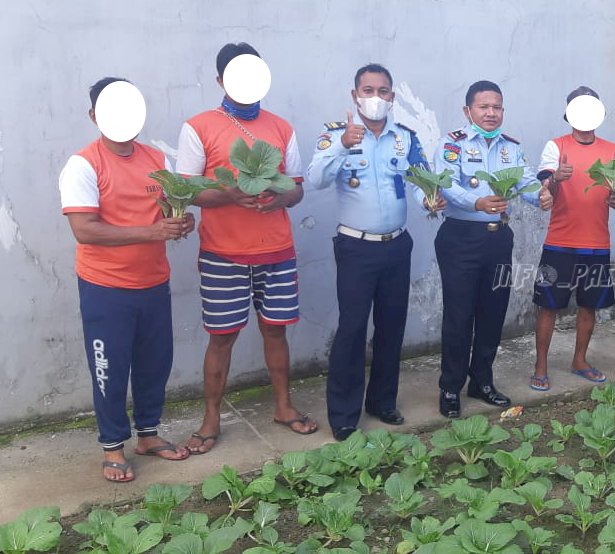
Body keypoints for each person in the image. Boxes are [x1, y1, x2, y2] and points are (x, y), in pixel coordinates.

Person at [176, 42, 316, 454]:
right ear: (220, 80)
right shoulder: (198, 127)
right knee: (221, 338)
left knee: (276, 332)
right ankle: (210, 420)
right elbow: (188, 191)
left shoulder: (282, 127)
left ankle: (283, 407)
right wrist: (232, 195)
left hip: (276, 250)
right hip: (223, 255)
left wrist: (279, 197)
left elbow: (297, 190)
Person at [59, 77, 194, 482]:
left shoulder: (157, 159)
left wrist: (181, 221)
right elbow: (85, 230)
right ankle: (113, 446)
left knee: (156, 364)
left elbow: (170, 214)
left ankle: (149, 435)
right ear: (93, 115)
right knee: (110, 369)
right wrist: (154, 233)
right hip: (106, 288)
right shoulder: (83, 164)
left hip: (153, 282)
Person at [306, 63, 443, 441]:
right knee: (352, 330)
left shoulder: (405, 138)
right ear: (355, 96)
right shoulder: (338, 135)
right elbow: (315, 179)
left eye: (383, 91)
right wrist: (342, 145)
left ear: (392, 97)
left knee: (391, 325)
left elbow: (420, 181)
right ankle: (344, 415)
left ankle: (382, 401)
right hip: (355, 247)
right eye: (368, 90)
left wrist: (430, 200)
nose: (376, 98)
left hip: (397, 245)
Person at [431, 80, 552, 419]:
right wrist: (477, 202)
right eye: (484, 107)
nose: (491, 113)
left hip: (498, 239)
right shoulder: (451, 145)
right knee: (459, 315)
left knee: (492, 311)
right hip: (460, 238)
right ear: (468, 110)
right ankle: (450, 387)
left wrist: (541, 195)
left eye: (497, 107)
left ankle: (481, 380)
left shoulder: (509, 147)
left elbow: (525, 180)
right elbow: (446, 183)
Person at [530, 86, 615, 391]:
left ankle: (579, 361)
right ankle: (541, 366)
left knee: (589, 306)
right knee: (548, 306)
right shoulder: (555, 147)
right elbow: (546, 189)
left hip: (597, 243)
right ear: (569, 112)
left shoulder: (614, 151)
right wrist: (554, 179)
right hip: (559, 241)